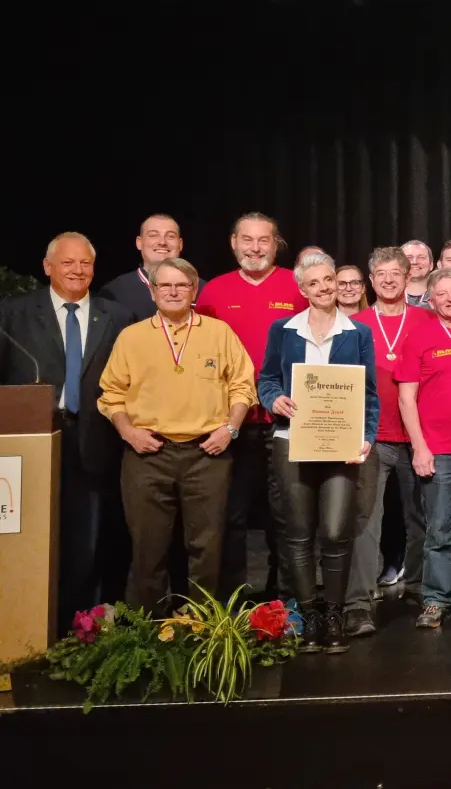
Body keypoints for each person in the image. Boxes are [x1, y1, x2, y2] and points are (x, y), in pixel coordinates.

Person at [98, 257, 256, 613]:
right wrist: (128, 432)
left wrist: (230, 429)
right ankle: (148, 628)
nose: (173, 291)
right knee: (148, 548)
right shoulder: (132, 337)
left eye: (181, 285)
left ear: (194, 290)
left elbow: (243, 386)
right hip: (148, 454)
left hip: (207, 454)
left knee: (207, 547)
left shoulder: (219, 333)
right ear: (153, 292)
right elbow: (111, 394)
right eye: (165, 285)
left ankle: (202, 624)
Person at [0, 232, 134, 627]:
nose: (77, 270)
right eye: (67, 262)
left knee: (89, 537)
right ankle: (29, 617)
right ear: (47, 267)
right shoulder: (13, 314)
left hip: (96, 438)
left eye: (85, 263)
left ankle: (84, 624)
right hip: (31, 442)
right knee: (33, 531)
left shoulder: (117, 317)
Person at [257, 252, 379, 654]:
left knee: (335, 532)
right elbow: (267, 379)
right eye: (315, 283)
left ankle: (334, 615)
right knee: (298, 534)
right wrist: (274, 399)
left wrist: (367, 436)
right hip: (292, 441)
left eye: (329, 280)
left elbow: (370, 394)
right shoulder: (283, 330)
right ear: (302, 289)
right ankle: (309, 616)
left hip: (341, 444)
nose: (324, 288)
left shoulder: (358, 333)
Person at [195, 212, 307, 599]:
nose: (255, 248)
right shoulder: (214, 292)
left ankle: (285, 600)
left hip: (286, 419)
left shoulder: (297, 287)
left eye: (264, 240)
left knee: (286, 515)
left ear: (276, 244)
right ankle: (230, 601)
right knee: (232, 515)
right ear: (233, 242)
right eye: (247, 239)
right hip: (232, 423)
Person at [395, 268, 451, 630]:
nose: (450, 298)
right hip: (440, 447)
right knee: (439, 529)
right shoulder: (420, 336)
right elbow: (406, 398)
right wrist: (419, 447)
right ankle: (436, 598)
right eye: (442, 293)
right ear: (430, 300)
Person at [349, 247, 424, 632]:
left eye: (396, 273)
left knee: (421, 519)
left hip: (419, 438)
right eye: (382, 274)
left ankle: (421, 589)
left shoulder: (427, 320)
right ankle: (359, 603)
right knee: (366, 521)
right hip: (372, 437)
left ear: (408, 277)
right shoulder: (354, 325)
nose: (389, 279)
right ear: (371, 280)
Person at [99, 213, 207, 320]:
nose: (162, 242)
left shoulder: (203, 289)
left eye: (170, 236)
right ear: (139, 242)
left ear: (180, 244)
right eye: (153, 235)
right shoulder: (114, 292)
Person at [401, 240, 434, 307]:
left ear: (431, 265)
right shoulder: (388, 296)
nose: (415, 262)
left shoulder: (441, 297)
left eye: (421, 257)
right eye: (409, 257)